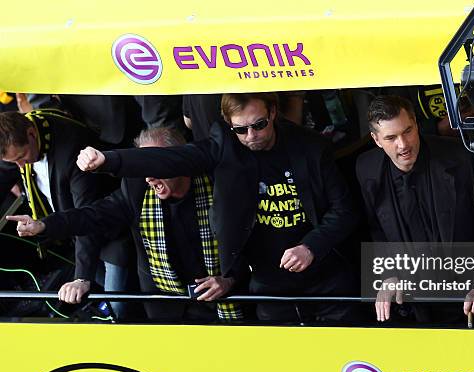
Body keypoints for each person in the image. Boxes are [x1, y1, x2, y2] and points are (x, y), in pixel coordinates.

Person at [74, 92, 359, 322]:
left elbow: (344, 210)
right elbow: (171, 159)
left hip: (326, 275)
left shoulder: (309, 146)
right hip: (268, 283)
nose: (251, 136)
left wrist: (310, 247)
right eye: (241, 129)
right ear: (229, 125)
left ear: (273, 112)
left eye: (259, 125)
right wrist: (110, 161)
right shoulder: (225, 145)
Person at [8, 127, 241, 322]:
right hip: (165, 311)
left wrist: (230, 279)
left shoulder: (218, 185)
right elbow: (93, 215)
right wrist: (43, 225)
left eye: (155, 166)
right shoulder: (136, 190)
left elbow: (248, 242)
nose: (149, 177)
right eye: (143, 167)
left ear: (176, 160)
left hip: (224, 307)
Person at [355, 95, 474, 322]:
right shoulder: (366, 169)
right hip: (413, 303)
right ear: (376, 140)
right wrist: (389, 274)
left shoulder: (461, 158)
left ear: (416, 124)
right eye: (391, 137)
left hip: (470, 296)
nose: (403, 144)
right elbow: (374, 229)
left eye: (407, 131)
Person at [0, 109, 122, 306]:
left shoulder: (74, 149)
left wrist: (81, 278)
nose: (21, 167)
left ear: (31, 134)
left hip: (110, 237)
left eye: (22, 157)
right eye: (14, 162)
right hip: (72, 236)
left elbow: (87, 215)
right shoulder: (18, 143)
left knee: (119, 307)